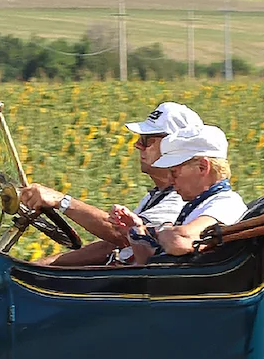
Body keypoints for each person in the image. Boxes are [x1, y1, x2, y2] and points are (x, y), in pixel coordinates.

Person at [17, 102, 203, 266]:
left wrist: (61, 201)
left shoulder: (179, 200)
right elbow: (112, 246)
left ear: (174, 147)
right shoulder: (156, 195)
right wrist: (44, 264)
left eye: (147, 140)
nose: (138, 145)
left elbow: (122, 237)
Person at [113, 124, 246, 263]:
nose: (170, 179)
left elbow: (179, 241)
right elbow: (149, 263)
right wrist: (137, 231)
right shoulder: (199, 204)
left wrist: (163, 229)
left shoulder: (226, 204)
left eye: (174, 172)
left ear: (202, 167)